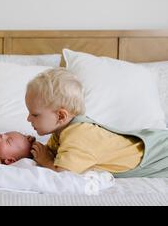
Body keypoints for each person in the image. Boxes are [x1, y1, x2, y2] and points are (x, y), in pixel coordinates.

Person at [25, 68, 168, 177]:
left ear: (61, 116)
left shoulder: (78, 136)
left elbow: (64, 174)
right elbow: (49, 152)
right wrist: (26, 147)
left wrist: (46, 162)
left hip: (159, 152)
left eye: (35, 114)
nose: (28, 119)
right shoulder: (61, 131)